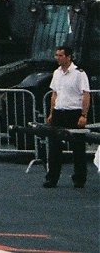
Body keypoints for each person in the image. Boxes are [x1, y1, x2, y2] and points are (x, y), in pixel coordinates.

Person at [43, 45, 90, 189]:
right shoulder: (56, 73)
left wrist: (83, 115)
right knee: (54, 148)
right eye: (56, 55)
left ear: (69, 57)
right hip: (59, 112)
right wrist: (51, 112)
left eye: (60, 55)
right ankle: (52, 178)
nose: (58, 58)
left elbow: (86, 95)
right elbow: (54, 94)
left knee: (78, 148)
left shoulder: (79, 74)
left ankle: (79, 178)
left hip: (74, 113)